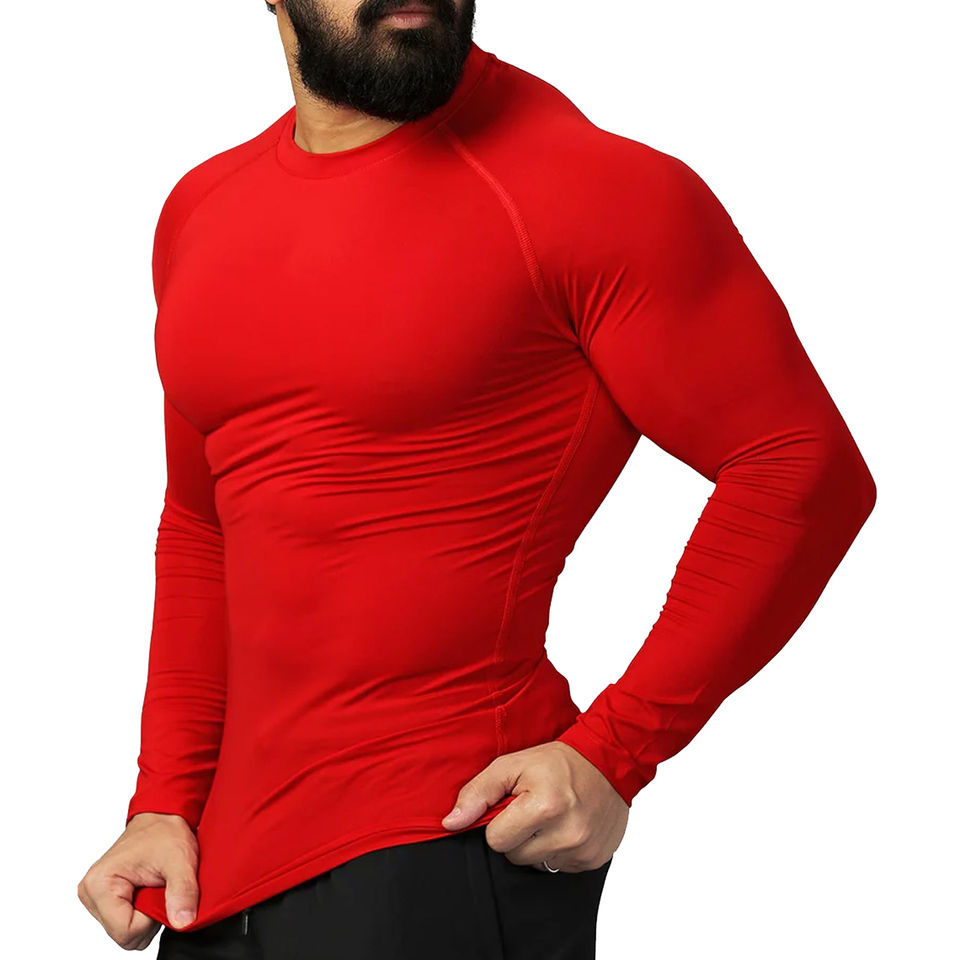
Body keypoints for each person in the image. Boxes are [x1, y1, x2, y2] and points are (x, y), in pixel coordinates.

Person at [76, 1, 877, 956]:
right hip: (214, 876)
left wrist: (616, 751)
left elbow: (801, 466)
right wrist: (164, 796)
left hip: (443, 841)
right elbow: (202, 523)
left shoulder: (591, 187)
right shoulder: (202, 207)